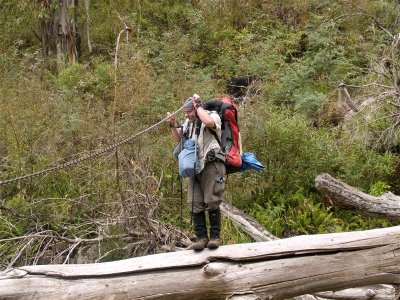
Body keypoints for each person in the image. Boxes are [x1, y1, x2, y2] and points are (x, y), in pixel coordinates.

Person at [168, 94, 226, 250]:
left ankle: (215, 237)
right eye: (185, 112)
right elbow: (179, 140)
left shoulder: (212, 116)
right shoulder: (188, 123)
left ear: (196, 108)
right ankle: (201, 238)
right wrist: (173, 125)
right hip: (195, 167)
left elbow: (208, 122)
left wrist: (199, 105)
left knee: (212, 199)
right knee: (194, 202)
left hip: (211, 163)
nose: (186, 115)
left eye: (189, 112)